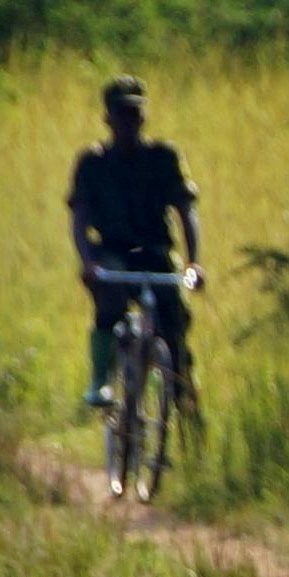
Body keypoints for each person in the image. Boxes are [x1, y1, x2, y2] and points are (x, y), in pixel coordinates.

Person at [68, 75, 202, 409]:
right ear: (107, 118)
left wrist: (193, 262)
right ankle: (101, 380)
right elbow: (80, 218)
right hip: (113, 254)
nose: (128, 122)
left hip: (156, 253)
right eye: (121, 113)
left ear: (143, 117)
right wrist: (88, 263)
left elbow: (186, 210)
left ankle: (181, 389)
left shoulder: (164, 157)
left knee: (174, 317)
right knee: (110, 301)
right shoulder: (92, 163)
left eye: (134, 114)